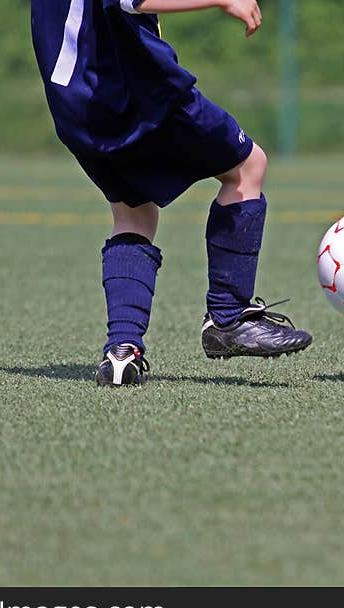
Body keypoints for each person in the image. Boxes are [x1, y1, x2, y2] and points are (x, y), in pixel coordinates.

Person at [30, 0, 312, 386]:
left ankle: (122, 352)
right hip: (138, 93)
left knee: (134, 213)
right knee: (248, 167)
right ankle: (228, 317)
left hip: (76, 106)